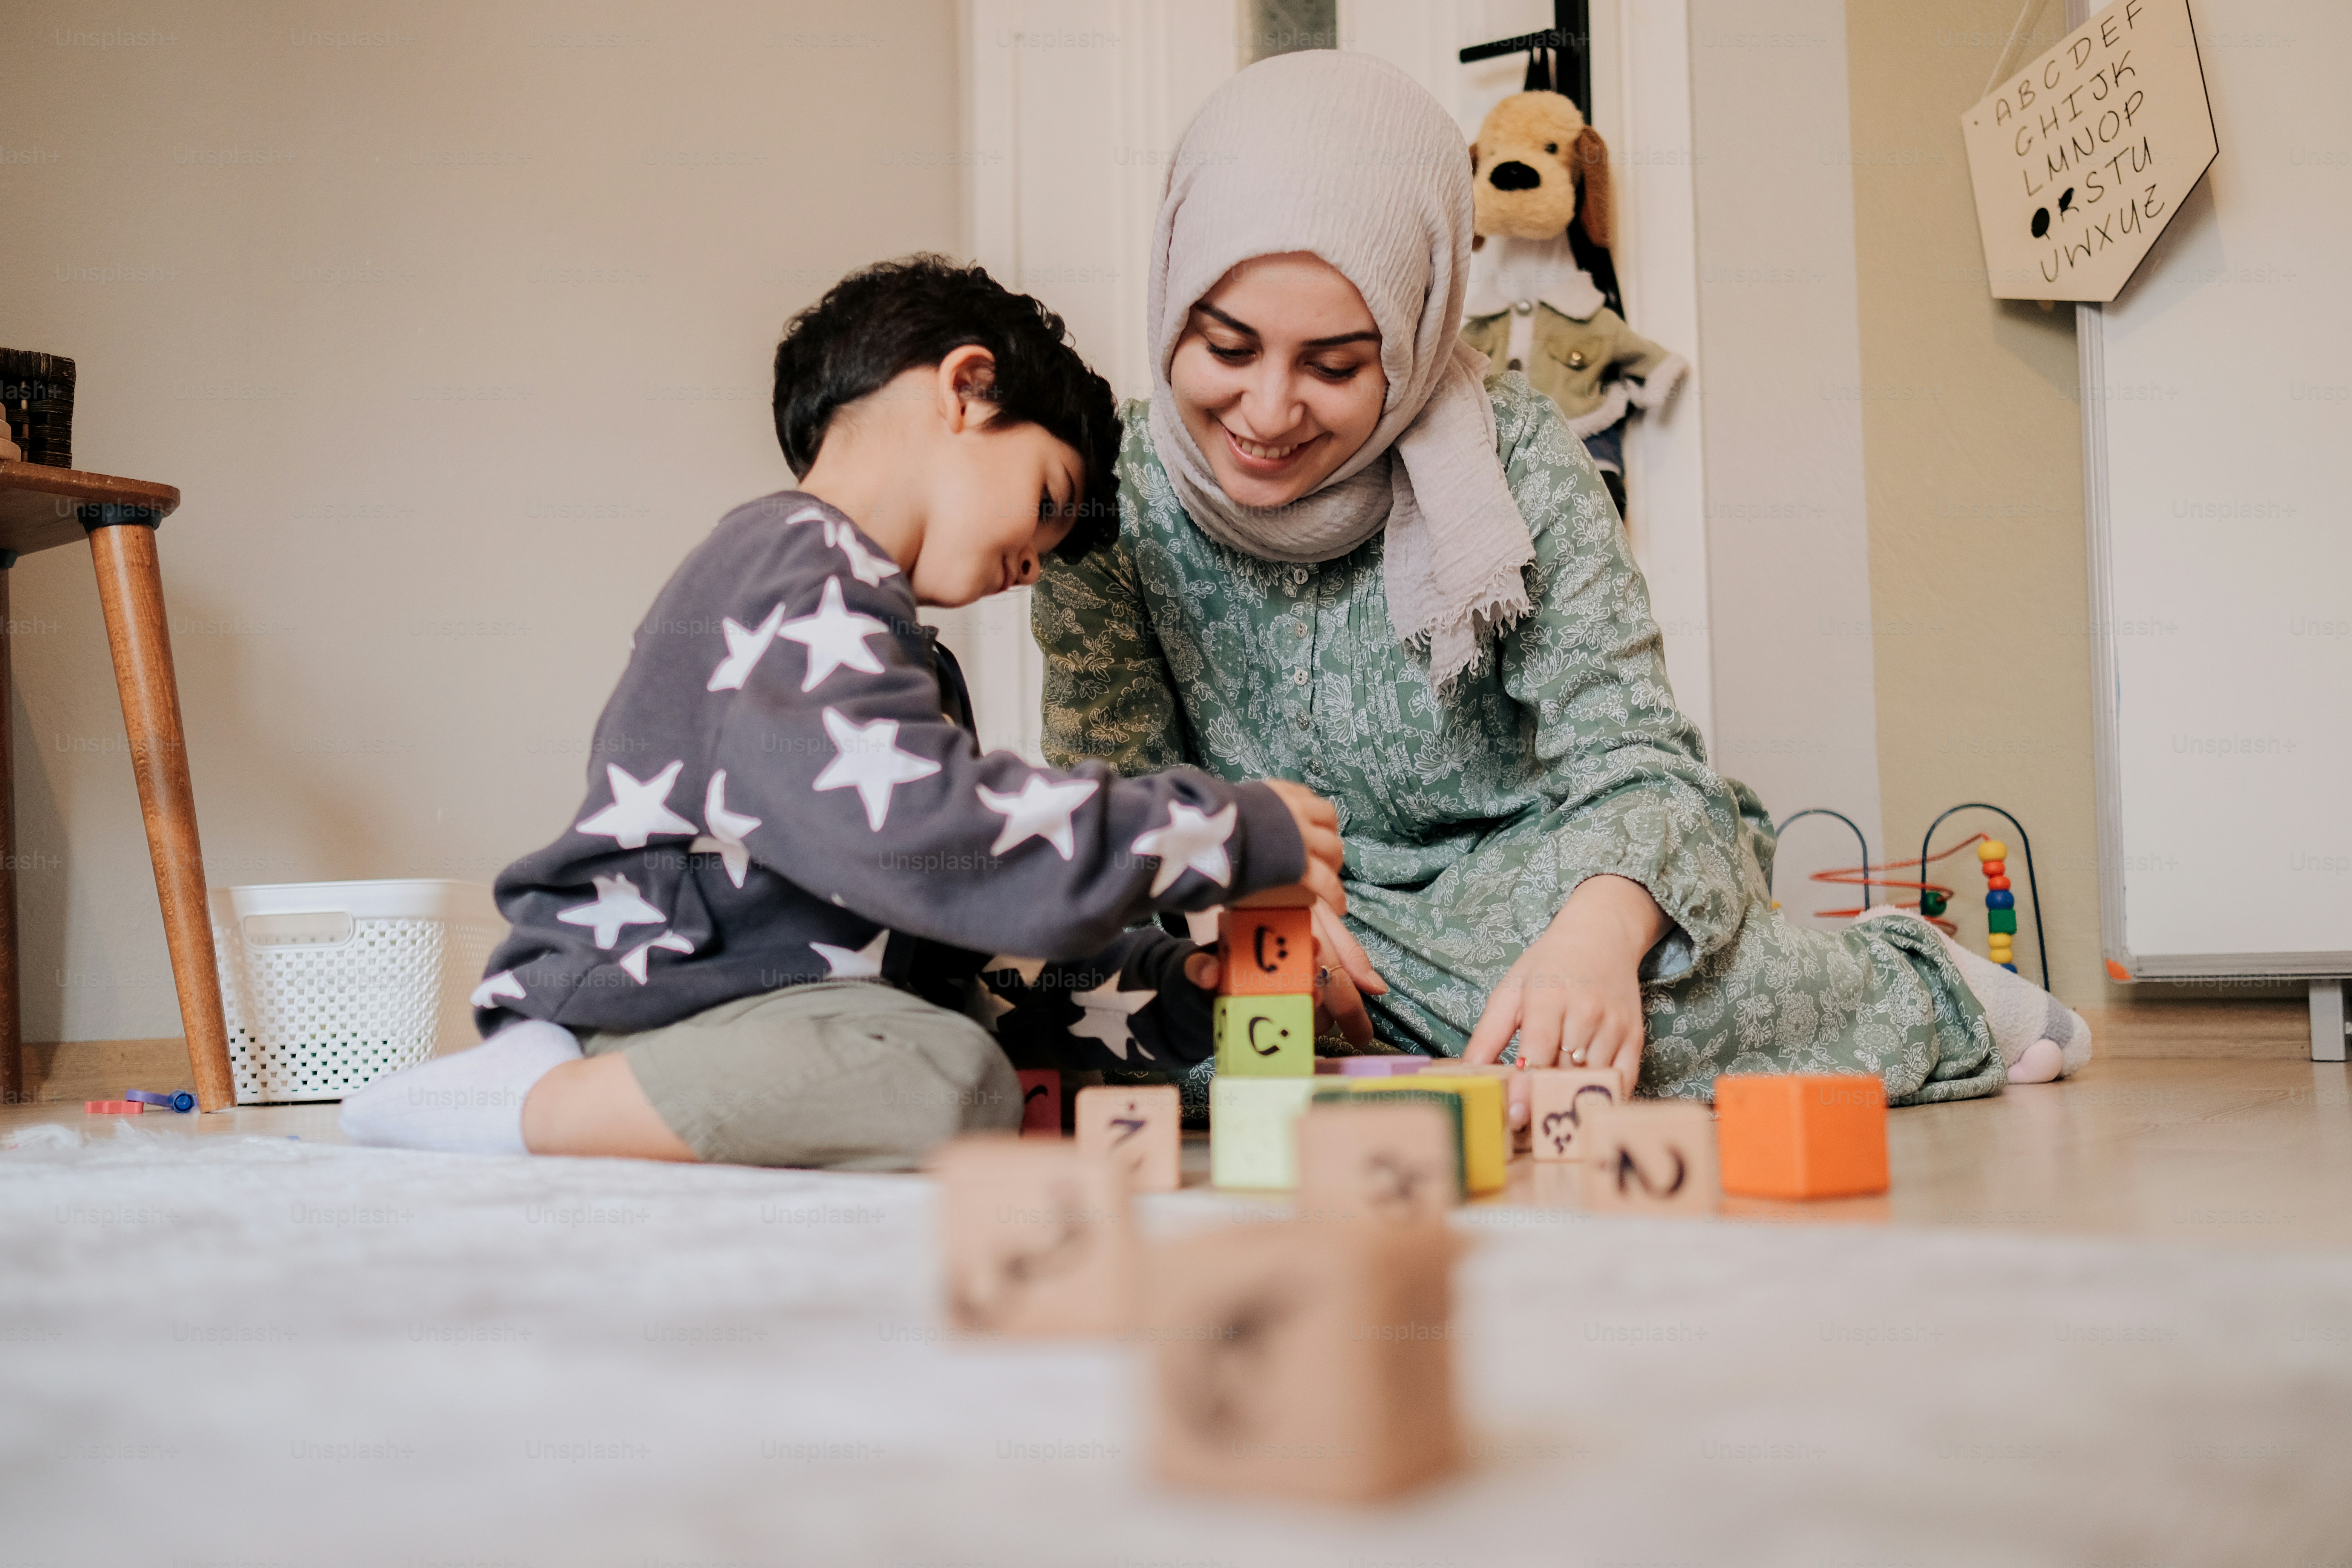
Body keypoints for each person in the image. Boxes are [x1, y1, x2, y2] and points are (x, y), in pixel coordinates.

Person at [1030, 52, 2091, 1133]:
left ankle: (1917, 983)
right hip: (1261, 914)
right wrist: (1227, 908)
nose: (1268, 410)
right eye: (1227, 348)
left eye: (1337, 367)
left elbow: (1638, 768)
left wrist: (1593, 942)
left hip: (1532, 884)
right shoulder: (1099, 496)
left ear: (1414, 330)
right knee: (1081, 1021)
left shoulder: (1520, 457)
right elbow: (1105, 809)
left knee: (1602, 1023)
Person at [341, 256, 1344, 1167]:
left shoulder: (883, 638)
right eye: (1046, 500)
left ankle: (586, 1109)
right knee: (948, 1076)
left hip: (783, 1019)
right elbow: (936, 837)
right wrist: (1224, 827)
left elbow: (963, 948)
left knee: (956, 1047)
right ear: (967, 388)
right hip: (660, 1011)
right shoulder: (792, 567)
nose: (1036, 562)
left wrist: (1181, 991)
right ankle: (529, 1104)